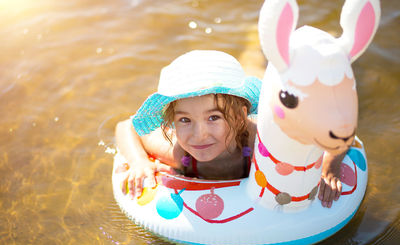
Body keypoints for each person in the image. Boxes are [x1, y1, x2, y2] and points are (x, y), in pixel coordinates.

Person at [115, 50, 345, 208]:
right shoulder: (179, 153)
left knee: (256, 61)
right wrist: (139, 162)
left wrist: (329, 167)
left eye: (213, 117)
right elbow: (126, 127)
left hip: (255, 105)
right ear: (172, 122)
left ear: (239, 117)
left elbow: (337, 129)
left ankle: (254, 45)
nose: (199, 134)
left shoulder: (265, 140)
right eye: (185, 120)